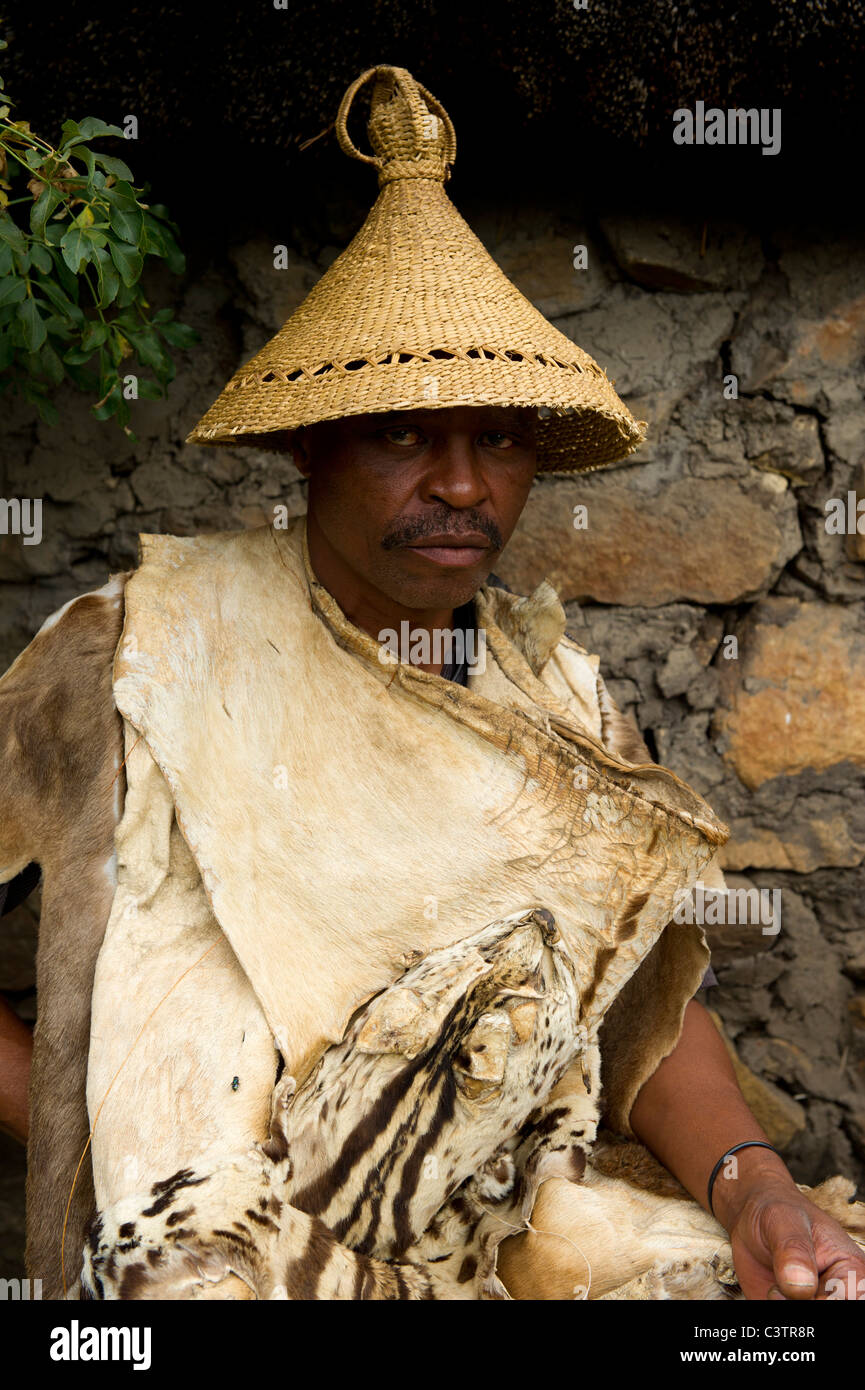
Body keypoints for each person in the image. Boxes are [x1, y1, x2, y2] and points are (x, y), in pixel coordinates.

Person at [1, 65, 863, 1301]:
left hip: (513, 1235)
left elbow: (639, 1018)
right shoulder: (144, 653)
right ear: (314, 443)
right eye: (404, 432)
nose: (462, 485)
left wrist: (759, 1189)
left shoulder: (558, 701)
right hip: (212, 1252)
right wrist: (110, 1139)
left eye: (498, 438)